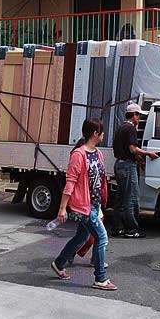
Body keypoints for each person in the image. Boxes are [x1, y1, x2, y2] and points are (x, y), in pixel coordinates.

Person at [51, 119, 116, 291]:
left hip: (94, 205)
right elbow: (70, 183)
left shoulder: (98, 153)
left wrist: (103, 198)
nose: (103, 135)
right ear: (95, 134)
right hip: (83, 207)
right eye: (101, 132)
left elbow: (101, 179)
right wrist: (62, 208)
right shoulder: (78, 155)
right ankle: (100, 278)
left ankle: (59, 263)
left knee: (81, 237)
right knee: (102, 237)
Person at [111, 103, 160, 238]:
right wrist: (148, 153)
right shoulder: (131, 128)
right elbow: (132, 149)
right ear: (134, 115)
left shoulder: (120, 128)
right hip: (127, 166)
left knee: (120, 198)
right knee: (131, 198)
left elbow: (126, 150)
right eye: (138, 116)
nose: (139, 119)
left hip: (119, 165)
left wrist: (139, 160)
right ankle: (131, 229)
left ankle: (117, 228)